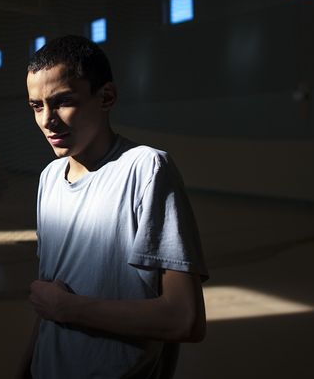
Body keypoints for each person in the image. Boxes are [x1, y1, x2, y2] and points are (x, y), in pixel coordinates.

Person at [19, 35, 208, 379]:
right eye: (36, 106)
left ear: (106, 96)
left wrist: (69, 308)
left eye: (62, 102)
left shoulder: (145, 169)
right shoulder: (48, 178)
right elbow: (50, 300)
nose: (47, 120)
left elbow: (185, 319)